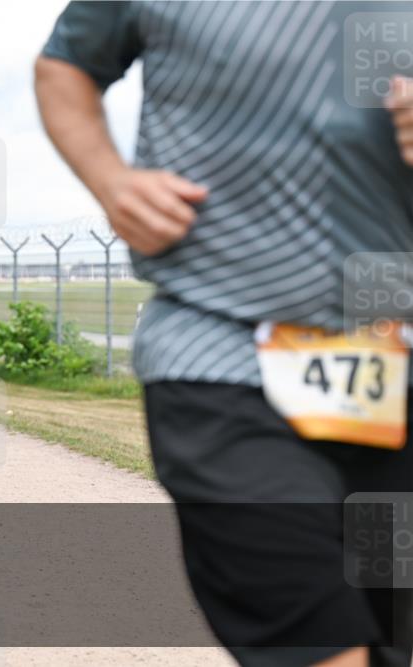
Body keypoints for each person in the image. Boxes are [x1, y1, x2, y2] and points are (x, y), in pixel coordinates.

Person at [35, 4, 412, 667]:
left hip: (396, 362)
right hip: (218, 349)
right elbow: (65, 64)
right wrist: (111, 180)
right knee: (322, 645)